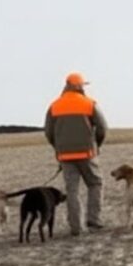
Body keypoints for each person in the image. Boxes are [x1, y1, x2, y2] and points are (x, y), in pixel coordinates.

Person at [44, 72, 109, 235]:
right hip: (87, 153)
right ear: (78, 86)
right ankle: (94, 220)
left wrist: (58, 148)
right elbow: (102, 127)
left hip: (65, 156)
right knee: (95, 184)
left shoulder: (54, 106)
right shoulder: (89, 104)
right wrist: (97, 145)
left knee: (72, 191)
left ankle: (76, 227)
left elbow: (48, 132)